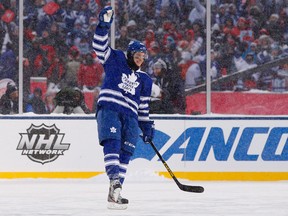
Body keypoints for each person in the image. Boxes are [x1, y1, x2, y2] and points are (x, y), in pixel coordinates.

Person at [92, 6, 155, 210]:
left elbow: (143, 107)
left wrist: (146, 126)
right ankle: (114, 180)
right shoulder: (116, 58)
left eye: (143, 57)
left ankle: (116, 193)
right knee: (112, 142)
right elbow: (99, 46)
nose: (140, 59)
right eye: (137, 55)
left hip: (131, 117)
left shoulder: (145, 79)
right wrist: (103, 26)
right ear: (130, 54)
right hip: (110, 108)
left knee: (126, 151)